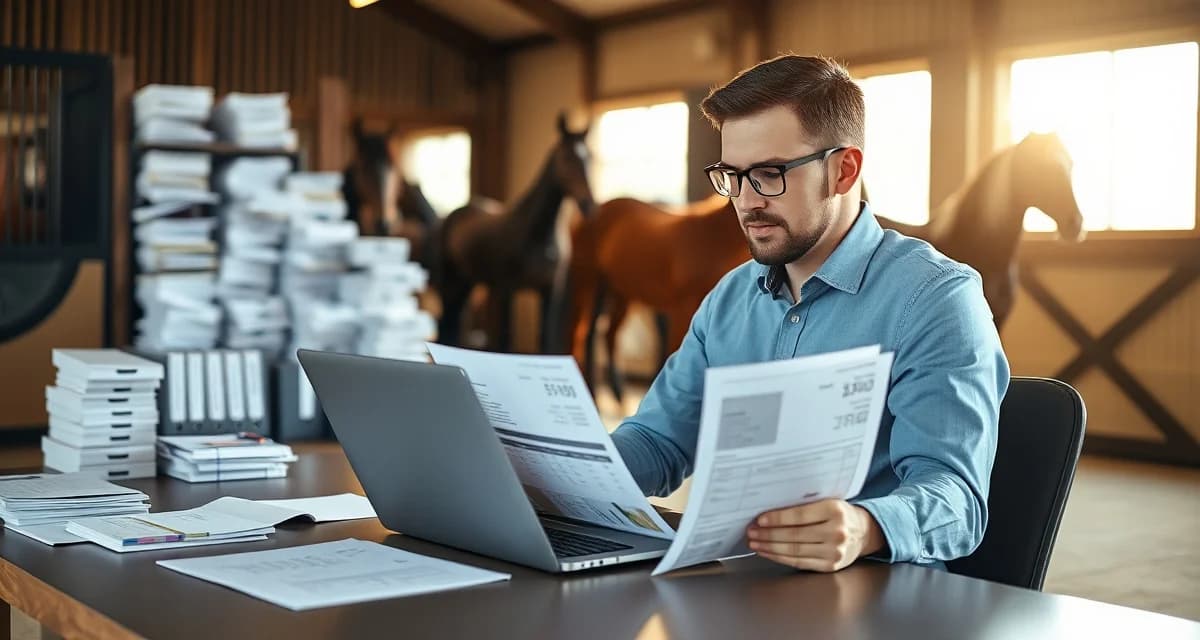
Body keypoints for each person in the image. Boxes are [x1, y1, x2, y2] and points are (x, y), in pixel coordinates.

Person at [610, 55, 1009, 572]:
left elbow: (955, 499)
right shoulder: (729, 299)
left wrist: (866, 527)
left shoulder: (936, 299)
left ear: (844, 171)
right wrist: (559, 470)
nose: (746, 202)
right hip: (737, 587)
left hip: (873, 602)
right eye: (731, 176)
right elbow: (659, 442)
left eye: (770, 174)